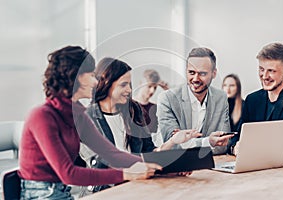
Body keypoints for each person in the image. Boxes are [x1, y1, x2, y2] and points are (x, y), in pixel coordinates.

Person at [18, 46, 162, 200]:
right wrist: (126, 174)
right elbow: (69, 174)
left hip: (61, 191)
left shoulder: (77, 115)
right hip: (39, 194)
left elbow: (111, 154)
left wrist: (158, 168)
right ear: (76, 76)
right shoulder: (42, 116)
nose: (95, 82)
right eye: (92, 75)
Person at [79, 57, 201, 194]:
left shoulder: (134, 110)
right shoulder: (87, 118)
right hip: (105, 191)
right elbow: (103, 163)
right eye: (123, 85)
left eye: (130, 84)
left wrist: (173, 156)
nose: (129, 90)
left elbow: (148, 151)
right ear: (107, 83)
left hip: (137, 187)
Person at [157, 47, 233, 155]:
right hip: (175, 166)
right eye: (191, 72)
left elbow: (223, 144)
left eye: (202, 74)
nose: (196, 79)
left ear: (214, 73)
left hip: (209, 166)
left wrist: (189, 144)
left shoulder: (220, 98)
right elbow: (172, 145)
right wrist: (208, 142)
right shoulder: (167, 99)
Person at [229, 42, 283, 158]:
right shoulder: (252, 100)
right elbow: (238, 137)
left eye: (271, 71)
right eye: (261, 69)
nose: (264, 76)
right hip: (253, 169)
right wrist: (234, 147)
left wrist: (260, 149)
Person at [134, 69, 169, 133]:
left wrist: (168, 92)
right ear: (141, 83)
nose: (152, 91)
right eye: (149, 86)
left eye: (155, 87)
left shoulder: (155, 108)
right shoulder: (129, 106)